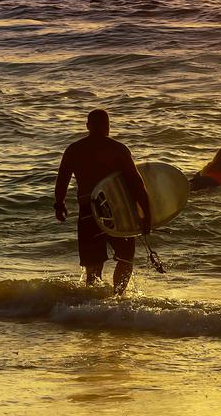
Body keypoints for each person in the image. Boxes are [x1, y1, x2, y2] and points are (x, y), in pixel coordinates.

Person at [54, 110, 151, 295]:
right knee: (126, 257)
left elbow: (62, 180)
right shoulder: (118, 149)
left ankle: (93, 306)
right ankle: (118, 298)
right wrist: (147, 214)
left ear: (88, 126)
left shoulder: (74, 149)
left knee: (93, 264)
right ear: (108, 127)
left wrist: (59, 204)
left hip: (88, 210)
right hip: (116, 210)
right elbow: (136, 184)